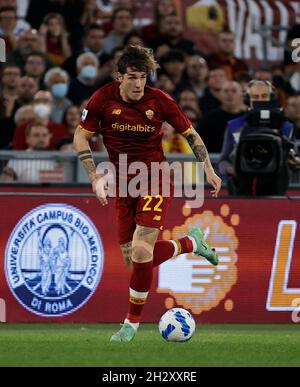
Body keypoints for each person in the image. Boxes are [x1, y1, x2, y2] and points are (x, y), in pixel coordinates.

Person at [73, 45, 221, 342]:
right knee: (135, 261)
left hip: (154, 177)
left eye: (143, 77)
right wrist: (94, 176)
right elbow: (81, 135)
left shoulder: (160, 101)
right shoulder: (102, 98)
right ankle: (190, 243)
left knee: (142, 251)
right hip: (122, 182)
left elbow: (190, 134)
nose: (139, 83)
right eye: (132, 77)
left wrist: (208, 168)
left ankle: (131, 324)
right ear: (119, 76)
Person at [218, 80, 299, 194]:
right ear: (247, 99)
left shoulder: (286, 127)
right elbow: (222, 162)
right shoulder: (234, 126)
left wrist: (295, 162)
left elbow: (294, 160)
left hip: (276, 188)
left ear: (271, 98)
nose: (260, 100)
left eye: (264, 96)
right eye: (255, 96)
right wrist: (232, 170)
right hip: (242, 189)